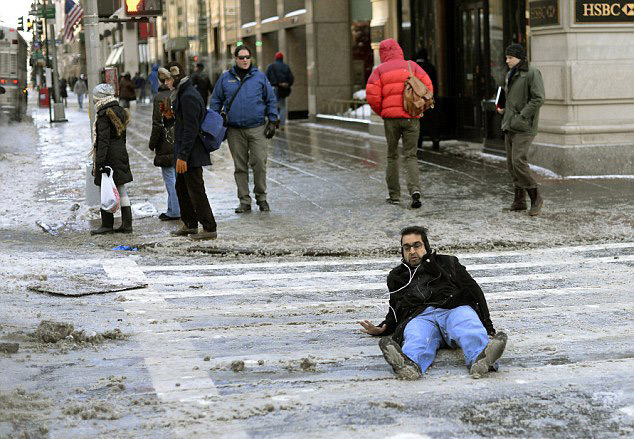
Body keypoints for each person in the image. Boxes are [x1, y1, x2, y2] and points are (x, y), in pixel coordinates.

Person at [359, 226, 508, 380]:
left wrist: (489, 327)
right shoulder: (397, 276)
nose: (412, 251)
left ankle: (481, 359)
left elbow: (474, 290)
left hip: (453, 309)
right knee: (416, 337)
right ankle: (410, 365)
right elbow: (395, 309)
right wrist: (381, 328)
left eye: (417, 245)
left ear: (426, 246)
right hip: (421, 317)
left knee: (467, 325)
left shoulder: (447, 262)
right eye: (407, 247)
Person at [366, 39, 433, 209]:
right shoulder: (412, 66)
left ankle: (394, 194)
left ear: (382, 54)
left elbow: (372, 95)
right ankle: (415, 191)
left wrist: (384, 111)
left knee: (392, 155)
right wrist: (418, 108)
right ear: (399, 50)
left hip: (391, 120)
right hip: (411, 117)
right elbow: (428, 88)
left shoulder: (379, 71)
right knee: (411, 155)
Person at [210, 45, 278, 213]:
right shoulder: (226, 78)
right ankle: (244, 201)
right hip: (234, 130)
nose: (245, 60)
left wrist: (272, 120)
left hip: (257, 128)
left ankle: (262, 198)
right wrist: (216, 121)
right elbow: (216, 101)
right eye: (241, 57)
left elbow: (271, 99)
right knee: (240, 166)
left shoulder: (260, 77)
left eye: (248, 57)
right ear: (236, 59)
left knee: (260, 163)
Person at [165, 62, 218, 241]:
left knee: (196, 190)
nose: (166, 83)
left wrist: (183, 156)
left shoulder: (188, 96)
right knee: (181, 187)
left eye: (168, 79)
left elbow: (191, 129)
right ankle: (190, 224)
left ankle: (209, 227)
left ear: (177, 77)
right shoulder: (182, 93)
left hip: (191, 154)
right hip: (185, 152)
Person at [497, 44, 545, 216]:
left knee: (518, 161)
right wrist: (504, 110)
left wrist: (522, 116)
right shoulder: (511, 73)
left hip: (524, 126)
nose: (507, 60)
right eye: (507, 57)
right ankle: (519, 201)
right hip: (510, 124)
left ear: (519, 58)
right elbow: (513, 99)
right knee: (511, 164)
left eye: (510, 57)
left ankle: (536, 197)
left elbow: (538, 98)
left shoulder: (532, 73)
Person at [90, 84, 134, 235]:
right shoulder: (119, 110)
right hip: (120, 153)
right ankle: (127, 225)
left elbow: (103, 142)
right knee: (121, 189)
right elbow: (123, 137)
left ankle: (107, 224)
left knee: (106, 190)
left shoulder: (104, 114)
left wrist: (100, 163)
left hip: (109, 156)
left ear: (100, 98)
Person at [148, 67, 180, 222]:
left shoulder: (159, 97)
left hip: (166, 142)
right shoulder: (177, 93)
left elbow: (157, 123)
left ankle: (175, 211)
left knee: (169, 179)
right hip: (179, 140)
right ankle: (172, 208)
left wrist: (152, 143)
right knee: (177, 177)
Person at [414, 48, 440, 151]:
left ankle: (419, 140)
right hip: (429, 98)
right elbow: (435, 85)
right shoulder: (431, 67)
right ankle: (435, 139)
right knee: (431, 121)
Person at [265, 52, 294, 129]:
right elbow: (291, 78)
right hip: (282, 89)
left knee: (273, 105)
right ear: (282, 58)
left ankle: (276, 118)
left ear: (275, 58)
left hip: (273, 88)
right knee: (283, 106)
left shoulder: (270, 66)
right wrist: (287, 84)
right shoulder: (286, 66)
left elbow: (265, 78)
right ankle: (282, 124)